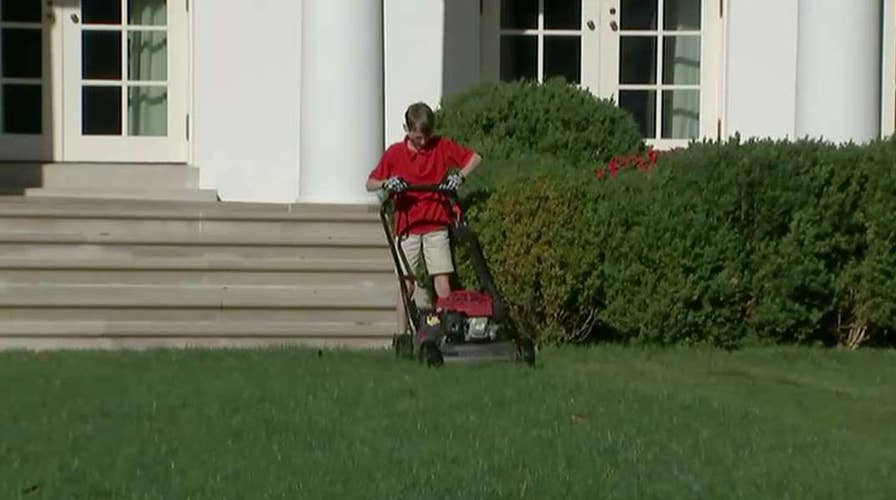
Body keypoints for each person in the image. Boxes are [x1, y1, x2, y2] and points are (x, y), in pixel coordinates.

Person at [365, 102, 482, 337]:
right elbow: (370, 183)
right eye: (417, 137)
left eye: (426, 137)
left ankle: (443, 333)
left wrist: (459, 177)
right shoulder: (395, 153)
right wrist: (388, 183)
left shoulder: (440, 146)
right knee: (406, 284)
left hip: (436, 224)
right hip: (407, 227)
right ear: (406, 129)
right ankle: (402, 336)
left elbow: (475, 158)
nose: (422, 142)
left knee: (443, 284)